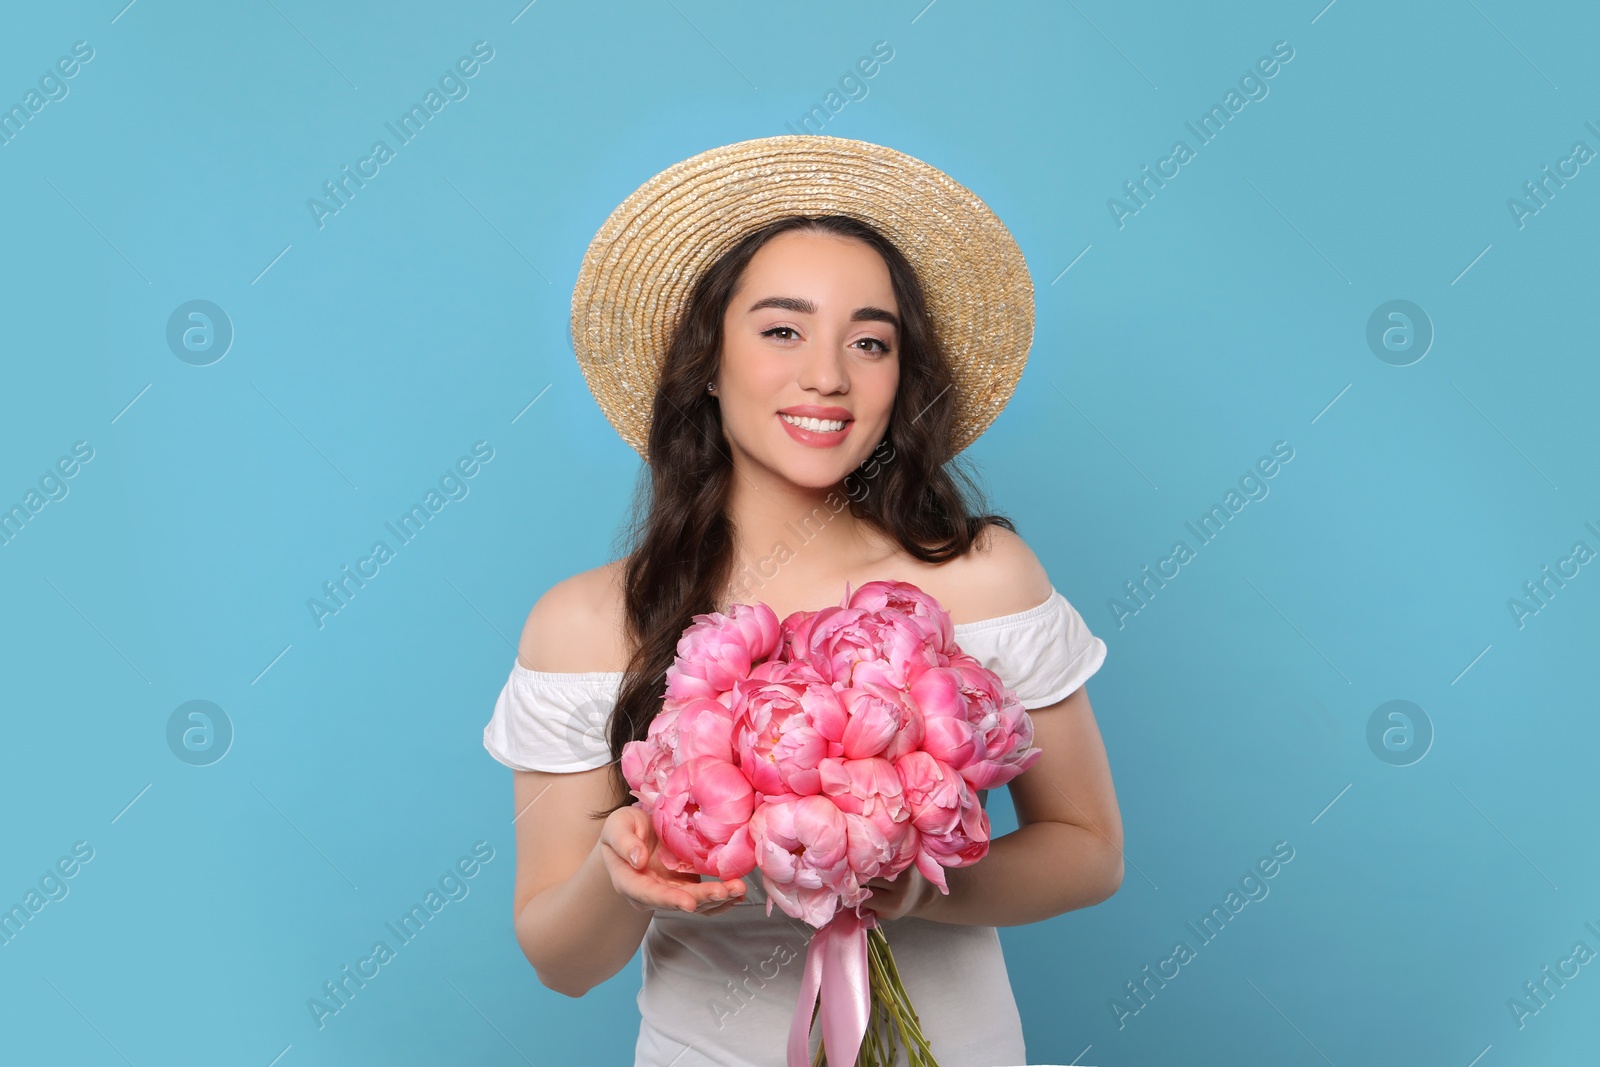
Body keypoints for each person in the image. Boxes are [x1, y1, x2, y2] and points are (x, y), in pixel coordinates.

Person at [481, 134, 1124, 1066]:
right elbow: (561, 960)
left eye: (871, 341)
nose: (829, 375)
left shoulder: (983, 575)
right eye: (782, 330)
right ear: (707, 360)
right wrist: (619, 872)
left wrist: (909, 887)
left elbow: (1088, 849)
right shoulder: (584, 624)